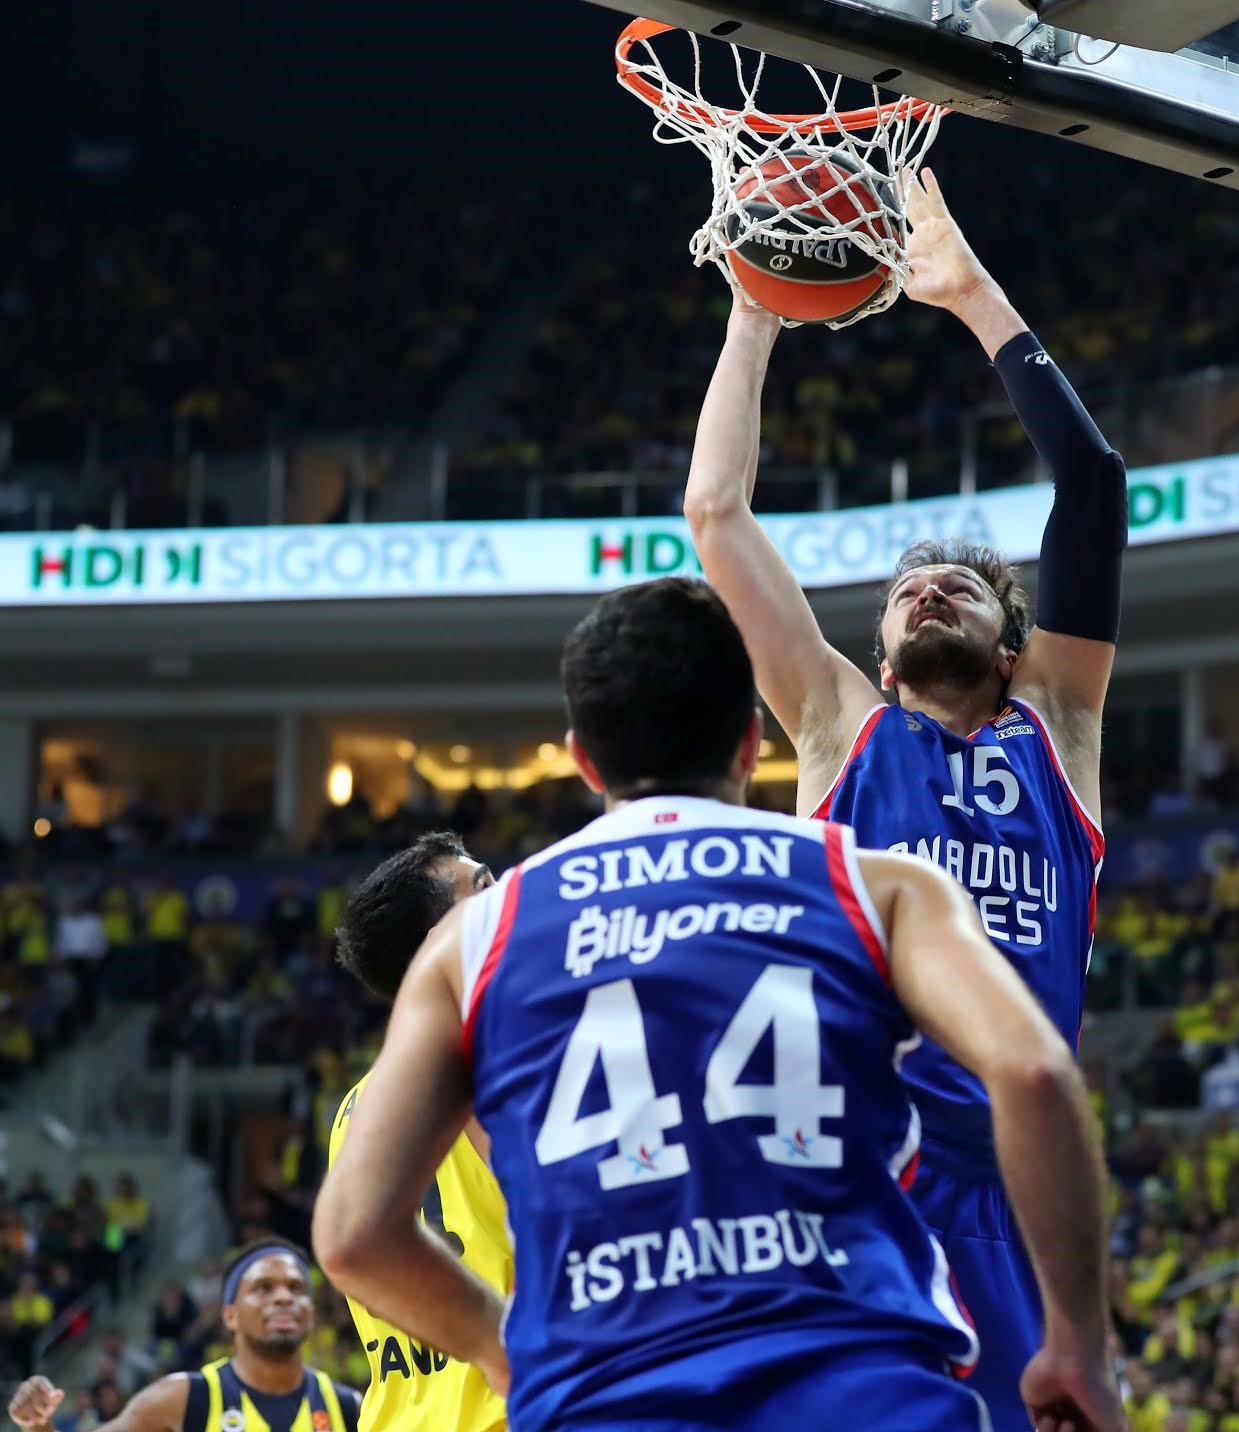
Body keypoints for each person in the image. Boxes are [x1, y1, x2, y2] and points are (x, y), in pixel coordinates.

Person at [313, 578, 1122, 1432]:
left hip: (609, 1396)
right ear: (747, 745)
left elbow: (354, 1235)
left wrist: (499, 1349)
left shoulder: (478, 939)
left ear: (583, 760)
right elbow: (1034, 1072)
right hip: (853, 1386)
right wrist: (1074, 1337)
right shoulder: (870, 881)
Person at [682, 165, 1125, 1429]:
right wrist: (755, 314)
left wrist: (973, 296)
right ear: (876, 654)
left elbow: (1090, 489)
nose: (925, 590)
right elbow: (716, 514)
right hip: (850, 1172)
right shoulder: (836, 724)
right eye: (904, 592)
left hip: (1015, 1189)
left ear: (1012, 649)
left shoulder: (1061, 727)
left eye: (961, 590)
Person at [326, 831, 509, 1432]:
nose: (509, 891)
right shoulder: (486, 1057)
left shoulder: (355, 1105)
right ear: (442, 941)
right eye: (484, 886)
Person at [8, 1242, 360, 1432]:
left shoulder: (349, 1409)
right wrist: (38, 1426)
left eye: (297, 1289)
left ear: (311, 1314)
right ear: (230, 1314)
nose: (283, 1298)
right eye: (263, 1288)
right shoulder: (182, 1397)